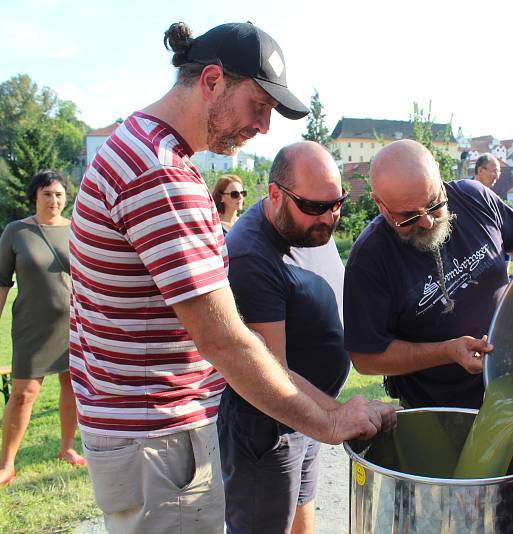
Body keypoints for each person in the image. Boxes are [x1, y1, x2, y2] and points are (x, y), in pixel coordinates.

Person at [69, 22, 396, 533]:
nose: (264, 127)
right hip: (161, 437)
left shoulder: (140, 146)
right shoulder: (160, 175)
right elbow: (224, 340)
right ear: (213, 81)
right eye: (259, 106)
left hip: (147, 432)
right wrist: (330, 420)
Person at [344, 139, 513, 409]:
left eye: (434, 205)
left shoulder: (475, 197)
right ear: (380, 205)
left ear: (439, 176)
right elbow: (366, 358)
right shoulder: (369, 259)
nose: (427, 222)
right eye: (408, 218)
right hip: (438, 409)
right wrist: (446, 352)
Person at [218, 141, 353, 534]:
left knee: (301, 514)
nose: (328, 218)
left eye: (337, 203)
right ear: (275, 193)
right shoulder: (251, 256)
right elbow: (271, 370)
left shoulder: (311, 227)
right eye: (314, 207)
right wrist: (335, 414)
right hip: (269, 424)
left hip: (306, 414)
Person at [0, 171, 85, 487]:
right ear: (34, 196)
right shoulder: (16, 231)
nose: (54, 200)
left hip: (74, 323)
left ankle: (67, 448)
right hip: (32, 325)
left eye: (60, 194)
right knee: (24, 393)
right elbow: (1, 282)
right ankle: (7, 464)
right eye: (47, 194)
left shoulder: (76, 229)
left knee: (72, 386)